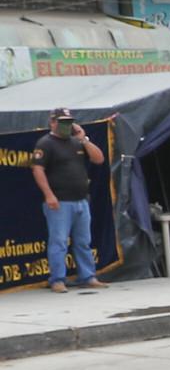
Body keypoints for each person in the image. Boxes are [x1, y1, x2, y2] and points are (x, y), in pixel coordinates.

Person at [30, 107, 108, 292]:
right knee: (59, 242)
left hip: (81, 200)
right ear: (53, 122)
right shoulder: (46, 143)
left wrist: (84, 138)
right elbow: (37, 169)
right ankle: (57, 279)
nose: (66, 126)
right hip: (60, 202)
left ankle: (88, 276)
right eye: (62, 122)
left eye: (69, 122)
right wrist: (49, 195)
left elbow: (99, 159)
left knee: (83, 241)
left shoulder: (76, 143)